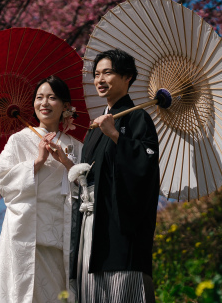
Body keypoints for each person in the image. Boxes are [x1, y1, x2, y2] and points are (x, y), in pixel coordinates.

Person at [68, 49, 159, 303]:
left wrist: (117, 136)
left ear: (127, 77)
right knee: (91, 284)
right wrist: (66, 163)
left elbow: (146, 164)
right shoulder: (96, 128)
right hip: (90, 220)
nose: (100, 79)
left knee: (121, 286)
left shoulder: (138, 116)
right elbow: (88, 174)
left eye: (107, 72)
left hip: (119, 218)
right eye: (96, 74)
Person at [0, 75, 84, 303]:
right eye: (39, 98)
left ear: (66, 106)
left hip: (63, 235)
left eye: (52, 98)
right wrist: (36, 162)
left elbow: (87, 189)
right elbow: (3, 180)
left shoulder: (76, 146)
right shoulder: (18, 140)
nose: (44, 103)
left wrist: (68, 163)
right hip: (28, 233)